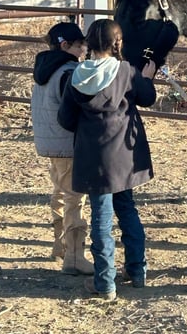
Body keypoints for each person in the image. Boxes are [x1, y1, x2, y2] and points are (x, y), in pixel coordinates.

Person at [58, 19, 157, 301]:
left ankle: (105, 282)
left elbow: (65, 119)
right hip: (124, 156)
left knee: (101, 218)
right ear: (118, 44)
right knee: (127, 210)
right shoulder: (126, 71)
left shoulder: (76, 75)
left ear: (88, 44)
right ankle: (137, 271)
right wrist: (146, 79)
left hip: (93, 157)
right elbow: (148, 98)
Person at [30, 21, 94, 276]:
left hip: (49, 142)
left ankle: (61, 245)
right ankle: (75, 256)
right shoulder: (69, 72)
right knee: (74, 198)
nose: (83, 51)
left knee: (59, 192)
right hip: (67, 143)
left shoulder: (45, 69)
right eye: (80, 46)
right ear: (65, 45)